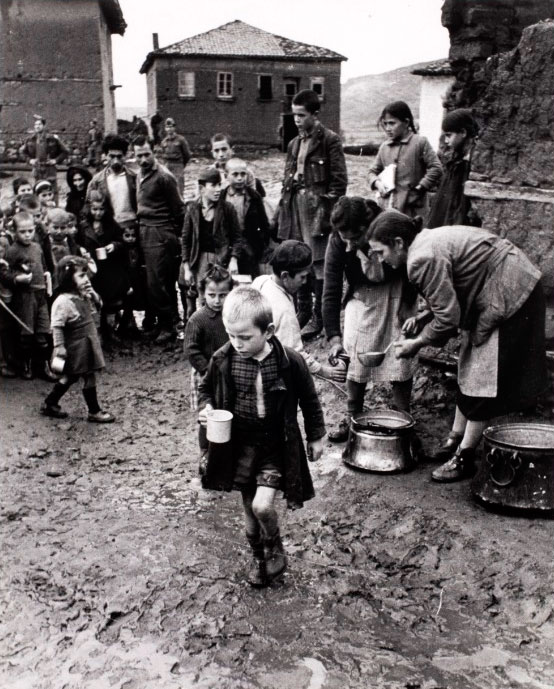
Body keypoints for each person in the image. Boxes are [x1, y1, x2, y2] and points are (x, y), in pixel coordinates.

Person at [367, 210, 547, 482]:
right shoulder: (424, 242)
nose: (380, 259)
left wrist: (418, 343)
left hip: (511, 288)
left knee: (482, 374)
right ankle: (455, 438)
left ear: (399, 243)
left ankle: (465, 457)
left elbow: (449, 320)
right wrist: (424, 316)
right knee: (469, 360)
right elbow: (452, 288)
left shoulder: (420, 258)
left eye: (380, 252)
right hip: (495, 283)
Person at [198, 287, 325, 587]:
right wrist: (207, 408)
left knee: (262, 506)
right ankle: (259, 559)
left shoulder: (289, 361)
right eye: (231, 336)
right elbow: (205, 389)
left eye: (244, 337)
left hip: (274, 445)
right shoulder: (223, 359)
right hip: (239, 445)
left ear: (268, 331)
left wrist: (315, 436)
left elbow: (309, 400)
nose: (237, 344)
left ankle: (275, 546)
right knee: (247, 508)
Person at [322, 197, 418, 441]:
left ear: (369, 226)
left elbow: (412, 263)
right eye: (346, 239)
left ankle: (403, 419)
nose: (351, 244)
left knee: (400, 355)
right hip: (362, 296)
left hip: (396, 291)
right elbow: (331, 288)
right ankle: (353, 416)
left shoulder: (389, 224)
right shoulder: (338, 242)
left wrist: (408, 304)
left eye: (356, 238)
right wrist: (334, 336)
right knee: (355, 356)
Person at [277, 89, 348, 340]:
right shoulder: (294, 143)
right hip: (295, 207)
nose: (296, 120)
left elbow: (339, 183)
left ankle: (319, 316)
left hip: (317, 212)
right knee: (297, 257)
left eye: (301, 115)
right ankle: (303, 311)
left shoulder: (330, 140)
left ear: (315, 115)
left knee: (318, 262)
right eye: (294, 115)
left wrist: (326, 212)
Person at [253, 240, 346, 383]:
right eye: (302, 277)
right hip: (271, 375)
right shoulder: (283, 310)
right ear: (285, 276)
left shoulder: (262, 281)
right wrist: (326, 371)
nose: (304, 282)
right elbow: (295, 354)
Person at [41, 256, 114, 423]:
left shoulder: (83, 295)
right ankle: (94, 411)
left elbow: (98, 307)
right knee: (85, 376)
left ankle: (50, 402)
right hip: (76, 347)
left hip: (88, 343)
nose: (86, 279)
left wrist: (94, 295)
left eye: (86, 275)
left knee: (71, 377)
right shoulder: (62, 302)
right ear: (68, 278)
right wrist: (59, 346)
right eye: (81, 276)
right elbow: (57, 326)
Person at [134, 135, 184, 343]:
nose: (143, 159)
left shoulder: (164, 177)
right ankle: (165, 321)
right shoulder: (140, 174)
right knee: (153, 280)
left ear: (154, 152)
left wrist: (176, 237)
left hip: (160, 231)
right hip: (145, 230)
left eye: (147, 154)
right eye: (139, 156)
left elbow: (178, 210)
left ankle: (169, 325)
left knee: (159, 282)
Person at [183, 264, 232, 460]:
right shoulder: (198, 319)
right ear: (203, 293)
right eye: (212, 295)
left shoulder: (231, 315)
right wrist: (206, 369)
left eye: (223, 295)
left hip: (228, 372)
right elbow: (191, 349)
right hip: (205, 374)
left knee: (226, 412)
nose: (217, 300)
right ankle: (205, 453)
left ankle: (225, 450)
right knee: (208, 415)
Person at [180, 168, 241, 313]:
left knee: (219, 299)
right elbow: (186, 240)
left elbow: (237, 238)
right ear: (202, 189)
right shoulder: (192, 208)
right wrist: (187, 268)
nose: (218, 189)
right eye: (213, 185)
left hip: (220, 260)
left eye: (219, 185)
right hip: (199, 260)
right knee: (202, 299)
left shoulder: (227, 209)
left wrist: (234, 259)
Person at [368, 101, 442, 220]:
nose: (388, 128)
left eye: (392, 123)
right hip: (388, 207)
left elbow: (436, 167)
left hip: (414, 209)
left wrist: (421, 187)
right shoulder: (384, 147)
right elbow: (372, 172)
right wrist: (377, 183)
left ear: (406, 122)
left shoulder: (420, 143)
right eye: (385, 124)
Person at [6, 212, 55, 380]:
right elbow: (5, 274)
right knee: (26, 332)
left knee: (43, 330)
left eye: (30, 231)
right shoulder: (12, 251)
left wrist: (48, 280)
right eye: (23, 231)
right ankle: (26, 365)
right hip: (25, 296)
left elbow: (44, 266)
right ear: (14, 231)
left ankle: (44, 366)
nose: (27, 235)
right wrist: (17, 278)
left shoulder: (37, 247)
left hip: (40, 294)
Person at [77, 191, 127, 343]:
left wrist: (114, 246)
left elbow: (122, 241)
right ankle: (98, 333)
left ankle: (111, 331)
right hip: (92, 268)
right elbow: (77, 242)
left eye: (101, 209)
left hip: (109, 268)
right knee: (94, 300)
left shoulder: (111, 225)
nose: (98, 213)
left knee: (110, 301)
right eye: (94, 209)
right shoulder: (84, 226)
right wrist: (82, 250)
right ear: (89, 209)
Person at [427, 109, 480, 229]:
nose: (446, 141)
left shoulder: (475, 161)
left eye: (449, 135)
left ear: (463, 132)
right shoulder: (456, 160)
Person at [220, 158, 270, 277]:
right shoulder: (221, 197)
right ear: (226, 176)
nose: (240, 178)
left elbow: (263, 223)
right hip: (227, 246)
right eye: (235, 174)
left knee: (249, 279)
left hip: (249, 247)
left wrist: (260, 245)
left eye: (243, 174)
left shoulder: (253, 196)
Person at [87, 134, 137, 226]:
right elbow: (89, 205)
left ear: (125, 156)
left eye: (119, 156)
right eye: (112, 156)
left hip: (131, 226)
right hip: (108, 227)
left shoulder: (135, 178)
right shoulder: (97, 180)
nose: (116, 161)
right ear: (105, 156)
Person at [21, 115, 67, 201]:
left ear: (44, 126)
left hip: (49, 168)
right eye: (35, 125)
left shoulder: (52, 138)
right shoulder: (30, 139)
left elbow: (65, 151)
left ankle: (54, 208)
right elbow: (22, 152)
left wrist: (55, 160)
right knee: (38, 188)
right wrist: (30, 160)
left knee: (51, 189)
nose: (37, 126)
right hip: (37, 168)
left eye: (39, 124)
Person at [159, 117, 192, 196]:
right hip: (167, 166)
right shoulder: (164, 142)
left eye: (171, 127)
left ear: (174, 128)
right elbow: (162, 155)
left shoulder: (181, 139)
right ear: (165, 129)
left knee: (179, 189)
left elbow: (187, 154)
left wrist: (181, 165)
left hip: (178, 165)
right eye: (167, 127)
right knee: (167, 188)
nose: (169, 129)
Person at [0, 234, 17, 377]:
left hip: (6, 298)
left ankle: (7, 361)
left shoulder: (6, 263)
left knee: (5, 329)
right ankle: (3, 363)